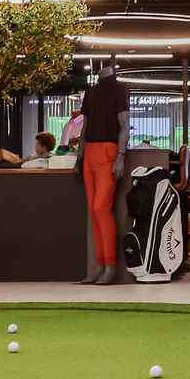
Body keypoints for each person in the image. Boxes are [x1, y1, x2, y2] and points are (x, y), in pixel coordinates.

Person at [77, 65, 130, 285]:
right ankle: (100, 266)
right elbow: (85, 126)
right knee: (94, 211)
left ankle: (110, 266)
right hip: (89, 152)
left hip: (108, 151)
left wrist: (120, 155)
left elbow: (125, 124)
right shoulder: (91, 92)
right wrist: (80, 155)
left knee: (101, 208)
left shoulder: (120, 89)